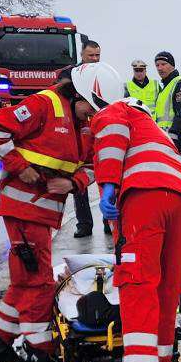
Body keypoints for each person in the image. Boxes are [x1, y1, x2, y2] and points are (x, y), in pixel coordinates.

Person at [70, 64, 181, 362]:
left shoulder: (112, 112)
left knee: (137, 287)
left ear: (90, 96)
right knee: (164, 291)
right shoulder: (148, 122)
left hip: (146, 199)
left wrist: (108, 187)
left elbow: (109, 138)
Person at [0, 75, 99, 362]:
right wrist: (19, 166)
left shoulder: (84, 123)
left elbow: (93, 166)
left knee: (24, 281)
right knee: (39, 282)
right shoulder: (43, 104)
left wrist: (73, 182)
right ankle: (40, 355)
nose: (92, 115)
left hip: (44, 212)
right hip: (23, 207)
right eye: (89, 107)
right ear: (76, 94)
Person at [56, 40, 104, 238]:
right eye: (91, 55)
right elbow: (61, 96)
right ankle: (84, 224)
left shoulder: (104, 74)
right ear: (82, 55)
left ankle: (110, 221)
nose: (94, 59)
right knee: (80, 174)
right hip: (78, 129)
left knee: (105, 174)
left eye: (97, 55)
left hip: (100, 126)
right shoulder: (69, 74)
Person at [151, 51, 181, 176]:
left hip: (180, 139)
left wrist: (173, 136)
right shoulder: (165, 88)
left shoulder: (179, 86)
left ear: (172, 65)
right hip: (168, 140)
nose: (160, 68)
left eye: (163, 64)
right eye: (157, 65)